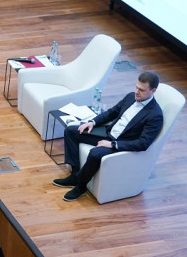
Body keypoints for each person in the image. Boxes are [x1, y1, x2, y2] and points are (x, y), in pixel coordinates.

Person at [52, 71, 164, 201]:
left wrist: (112, 144)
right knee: (71, 131)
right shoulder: (130, 97)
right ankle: (75, 175)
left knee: (95, 154)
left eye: (142, 90)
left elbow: (143, 143)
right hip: (108, 133)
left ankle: (81, 186)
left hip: (120, 143)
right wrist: (92, 122)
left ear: (153, 91)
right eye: (136, 87)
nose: (137, 92)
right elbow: (112, 112)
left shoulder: (155, 115)